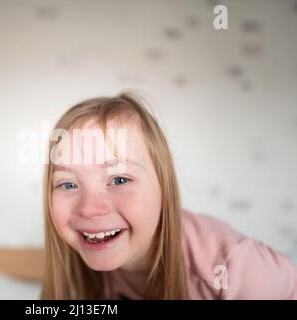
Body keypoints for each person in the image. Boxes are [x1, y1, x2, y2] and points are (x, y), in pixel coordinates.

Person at [40, 92, 297, 299]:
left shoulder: (233, 265)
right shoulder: (94, 256)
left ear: (164, 185)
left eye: (119, 179)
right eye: (68, 184)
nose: (89, 209)